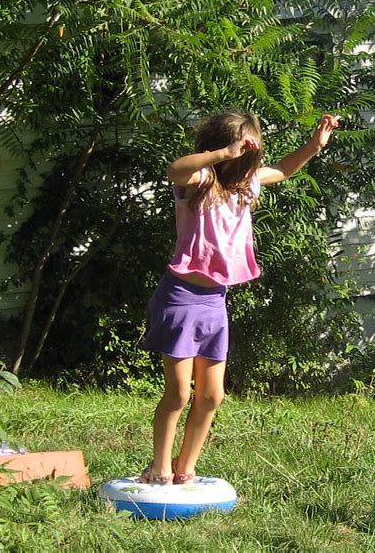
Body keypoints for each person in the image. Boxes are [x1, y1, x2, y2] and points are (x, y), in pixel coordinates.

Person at [141, 111, 339, 484]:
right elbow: (174, 169)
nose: (247, 157)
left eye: (250, 151)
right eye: (241, 149)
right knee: (180, 393)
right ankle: (159, 468)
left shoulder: (248, 184)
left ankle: (186, 469)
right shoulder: (199, 180)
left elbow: (282, 169)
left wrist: (315, 145)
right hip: (180, 297)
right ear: (222, 146)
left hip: (214, 301)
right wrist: (221, 155)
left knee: (212, 396)